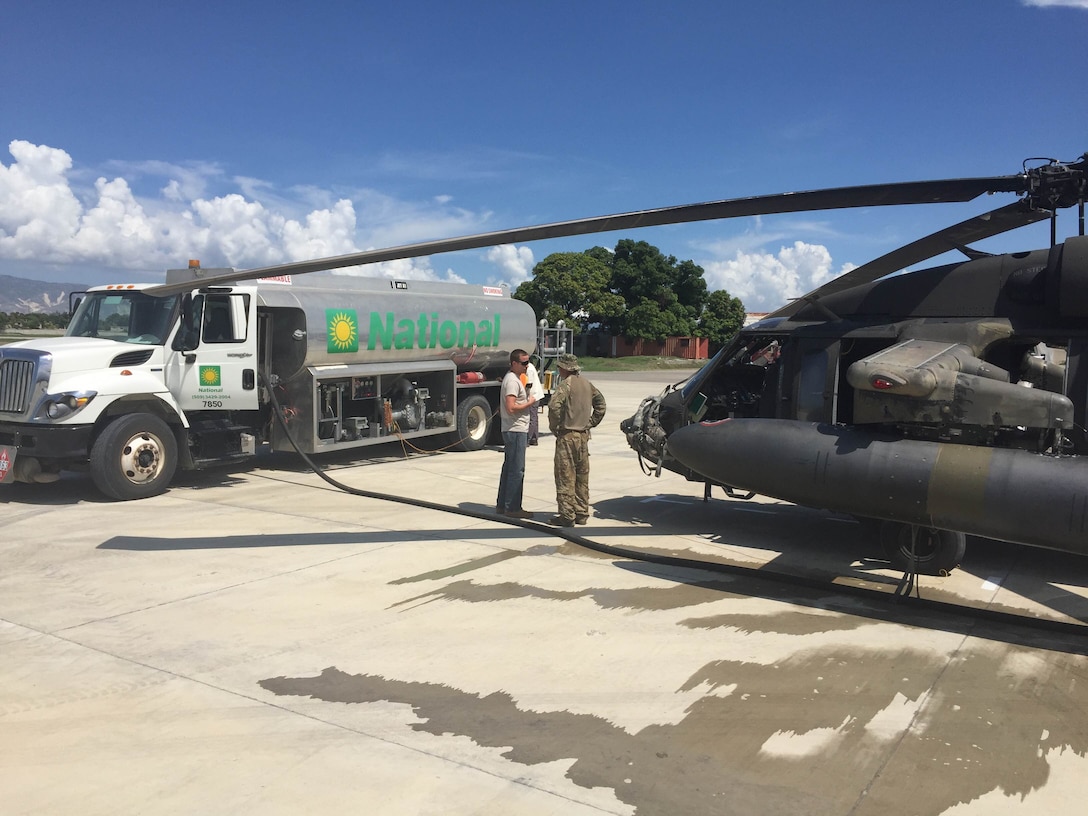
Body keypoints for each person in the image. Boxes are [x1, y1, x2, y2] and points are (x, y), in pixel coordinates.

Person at [547, 353, 606, 526]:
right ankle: (581, 512)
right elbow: (601, 405)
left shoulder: (565, 385)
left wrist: (555, 427)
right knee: (582, 476)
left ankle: (567, 516)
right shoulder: (588, 385)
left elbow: (553, 406)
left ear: (564, 369)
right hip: (583, 437)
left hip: (568, 436)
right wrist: (590, 423)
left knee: (566, 476)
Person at [496, 349, 538, 519]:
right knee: (516, 470)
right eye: (524, 363)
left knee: (509, 468)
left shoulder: (514, 379)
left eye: (528, 362)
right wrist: (529, 403)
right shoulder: (512, 381)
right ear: (514, 363)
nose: (527, 366)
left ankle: (502, 505)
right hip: (515, 430)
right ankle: (512, 507)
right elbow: (511, 407)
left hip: (514, 428)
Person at [522, 358, 545, 445]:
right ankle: (534, 438)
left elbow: (529, 384)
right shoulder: (530, 367)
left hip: (533, 395)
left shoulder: (529, 369)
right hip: (535, 395)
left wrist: (522, 393)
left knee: (532, 417)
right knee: (534, 416)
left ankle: (528, 438)